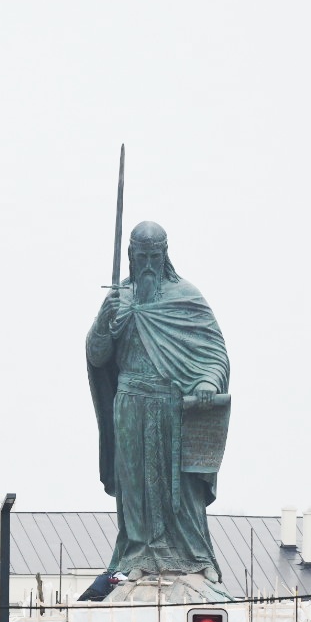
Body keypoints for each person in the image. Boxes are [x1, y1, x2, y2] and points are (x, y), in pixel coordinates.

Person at [86, 221, 231, 589]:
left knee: (180, 490)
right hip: (131, 404)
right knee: (136, 488)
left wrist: (207, 381)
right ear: (131, 256)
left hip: (172, 407)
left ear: (164, 255)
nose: (148, 263)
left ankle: (195, 559)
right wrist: (104, 321)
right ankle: (137, 555)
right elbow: (98, 356)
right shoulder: (119, 299)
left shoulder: (185, 297)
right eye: (142, 256)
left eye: (155, 256)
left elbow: (214, 353)